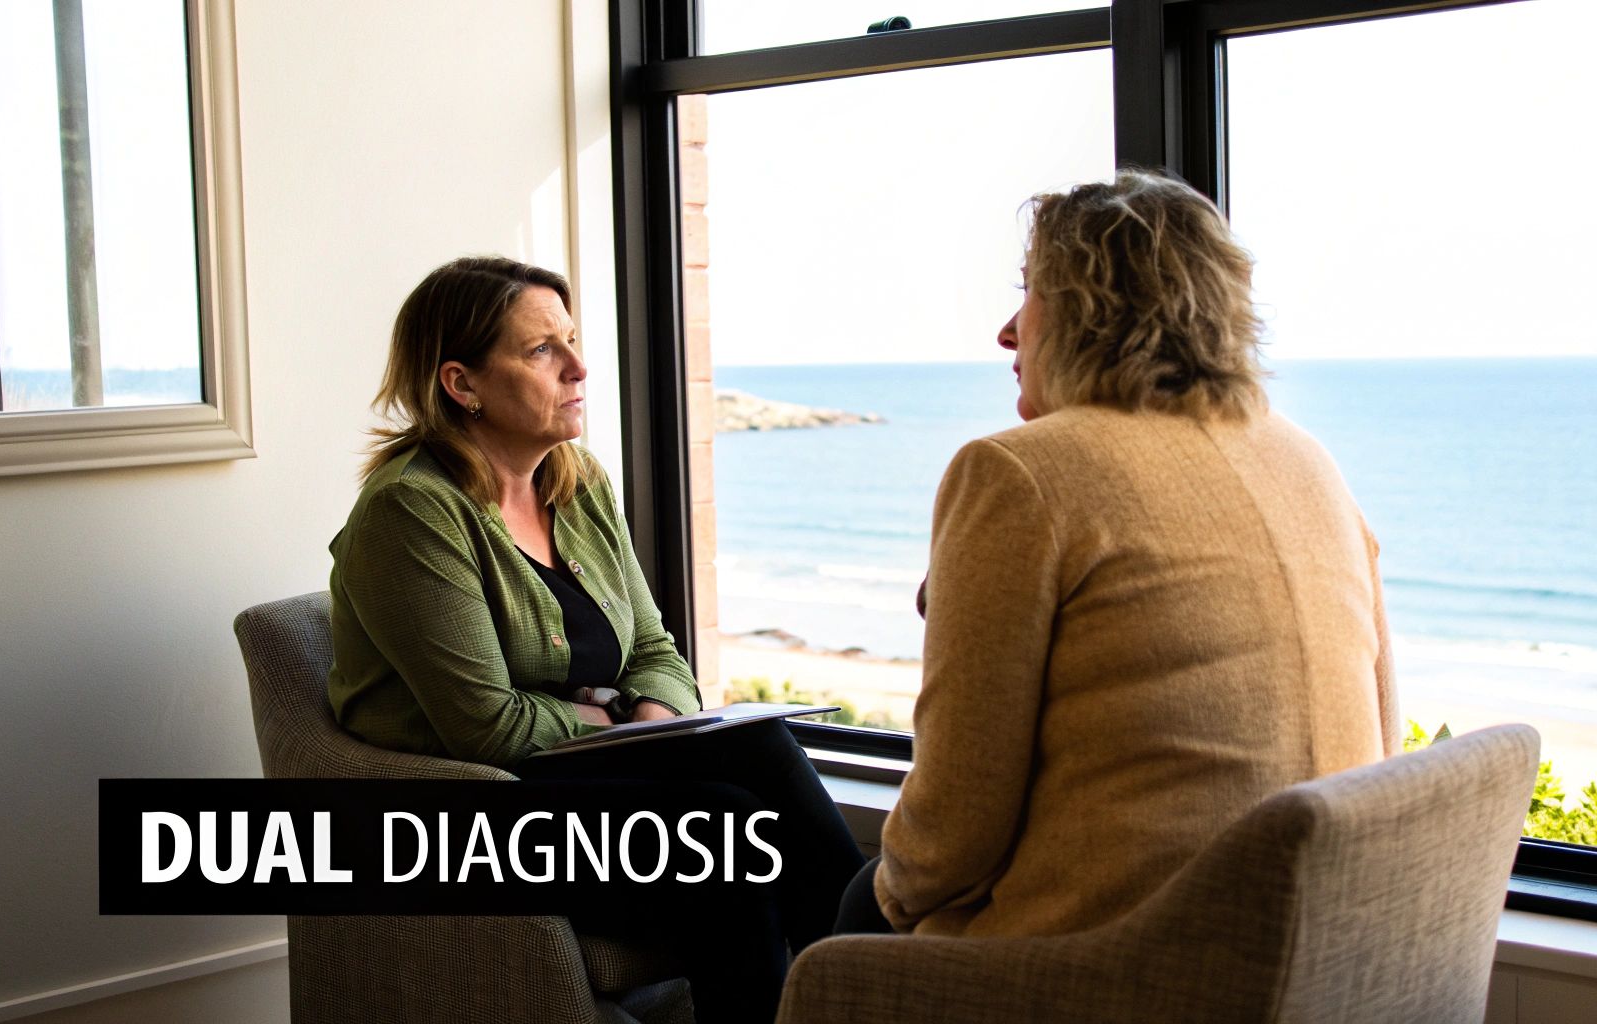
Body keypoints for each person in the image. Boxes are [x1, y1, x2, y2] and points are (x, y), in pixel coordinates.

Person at [836, 169, 1400, 939]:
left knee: (855, 905)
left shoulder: (1020, 472)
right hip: (1320, 944)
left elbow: (955, 826)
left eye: (1030, 290)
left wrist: (900, 901)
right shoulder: (1307, 460)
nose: (1008, 330)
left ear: (1081, 310)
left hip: (1126, 960)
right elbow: (1382, 741)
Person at [326, 256, 861, 1022]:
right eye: (542, 350)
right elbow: (486, 727)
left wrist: (650, 717)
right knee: (714, 824)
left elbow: (655, 651)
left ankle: (864, 991)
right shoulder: (412, 511)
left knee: (761, 750)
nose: (579, 367)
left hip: (584, 773)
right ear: (461, 384)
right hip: (465, 807)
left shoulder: (575, 479)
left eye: (572, 340)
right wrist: (615, 718)